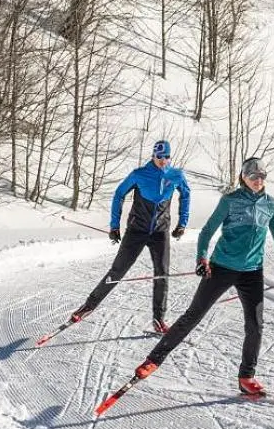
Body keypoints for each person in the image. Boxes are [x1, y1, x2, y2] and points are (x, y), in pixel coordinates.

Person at [128, 156, 274, 399]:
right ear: (243, 178)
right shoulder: (230, 201)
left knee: (255, 325)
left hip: (252, 272)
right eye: (253, 176)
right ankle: (153, 360)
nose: (258, 181)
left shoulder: (271, 204)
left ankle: (246, 377)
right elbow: (207, 231)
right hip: (221, 268)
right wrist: (202, 259)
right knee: (192, 316)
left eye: (262, 176)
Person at [69, 139, 192, 333]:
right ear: (153, 156)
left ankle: (158, 319)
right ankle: (88, 306)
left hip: (160, 232)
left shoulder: (176, 175)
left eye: (166, 157)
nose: (163, 160)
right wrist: (114, 225)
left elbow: (186, 195)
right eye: (159, 157)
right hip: (137, 230)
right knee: (117, 271)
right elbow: (119, 194)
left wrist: (182, 223)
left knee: (162, 274)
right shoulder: (139, 174)